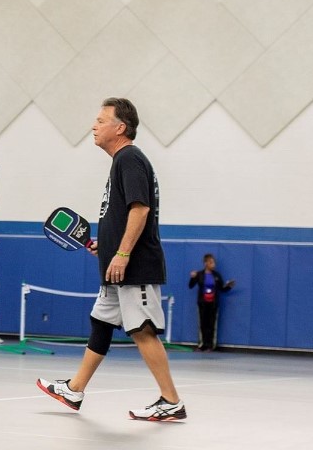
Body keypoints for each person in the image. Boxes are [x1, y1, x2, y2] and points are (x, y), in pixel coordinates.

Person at [38, 98, 187, 422]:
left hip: (134, 267)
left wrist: (121, 254)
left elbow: (140, 209)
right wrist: (105, 247)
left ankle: (171, 401)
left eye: (101, 120)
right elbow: (121, 216)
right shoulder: (120, 162)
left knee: (143, 330)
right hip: (115, 268)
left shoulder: (129, 158)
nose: (94, 126)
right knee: (102, 322)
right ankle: (75, 389)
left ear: (120, 128)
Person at [189, 253, 235, 352]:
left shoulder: (217, 275)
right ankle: (202, 345)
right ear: (205, 263)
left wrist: (229, 286)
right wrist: (192, 277)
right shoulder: (199, 274)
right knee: (202, 324)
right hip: (202, 303)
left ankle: (210, 345)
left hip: (213, 303)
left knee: (211, 324)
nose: (213, 265)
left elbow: (222, 288)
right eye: (211, 262)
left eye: (214, 263)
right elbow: (190, 286)